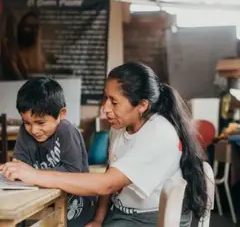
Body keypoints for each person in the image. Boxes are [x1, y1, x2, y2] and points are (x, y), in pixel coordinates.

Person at [1, 63, 208, 227]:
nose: (105, 109)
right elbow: (112, 170)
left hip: (152, 219)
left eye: (114, 102)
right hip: (121, 214)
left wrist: (34, 175)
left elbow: (107, 183)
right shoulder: (120, 126)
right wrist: (99, 219)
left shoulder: (158, 132)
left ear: (142, 106)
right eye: (105, 98)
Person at [3, 77, 95, 227]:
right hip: (44, 206)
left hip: (76, 211)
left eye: (40, 123)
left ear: (62, 113)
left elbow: (73, 172)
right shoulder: (25, 132)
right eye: (27, 122)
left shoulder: (66, 130)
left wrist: (32, 174)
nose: (33, 130)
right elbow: (19, 166)